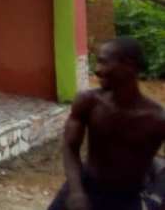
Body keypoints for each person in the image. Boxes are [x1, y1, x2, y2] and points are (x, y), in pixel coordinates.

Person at [48, 37, 165, 210]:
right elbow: (70, 147)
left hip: (126, 198)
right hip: (85, 184)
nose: (97, 70)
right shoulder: (88, 102)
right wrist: (76, 191)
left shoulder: (157, 119)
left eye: (104, 62)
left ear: (129, 65)